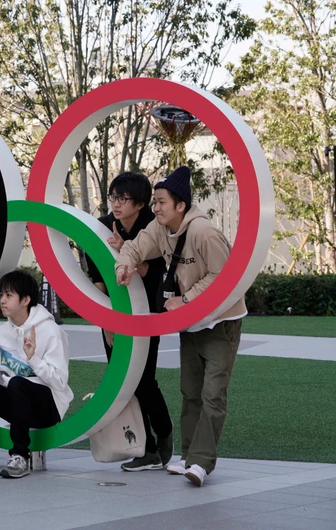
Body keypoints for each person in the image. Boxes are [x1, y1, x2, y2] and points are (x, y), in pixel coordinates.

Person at [116, 166, 247, 487]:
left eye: (161, 202)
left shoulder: (204, 233)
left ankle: (201, 462)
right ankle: (189, 456)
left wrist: (186, 299)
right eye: (155, 202)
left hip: (221, 321)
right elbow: (134, 246)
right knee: (190, 392)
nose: (156, 207)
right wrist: (124, 265)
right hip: (191, 322)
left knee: (213, 394)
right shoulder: (159, 228)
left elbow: (225, 276)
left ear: (181, 205)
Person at [85, 172, 174, 472]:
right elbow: (98, 281)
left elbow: (156, 272)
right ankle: (146, 450)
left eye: (123, 199)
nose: (116, 204)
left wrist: (127, 249)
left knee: (144, 380)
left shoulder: (154, 225)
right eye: (113, 197)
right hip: (113, 314)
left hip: (146, 313)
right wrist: (106, 322)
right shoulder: (100, 226)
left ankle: (164, 431)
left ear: (140, 203)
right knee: (123, 382)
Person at [0, 269, 73, 479]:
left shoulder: (50, 331)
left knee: (18, 383)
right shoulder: (2, 332)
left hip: (48, 407)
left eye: (9, 295)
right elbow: (0, 381)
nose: (2, 300)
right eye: (2, 294)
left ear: (26, 300)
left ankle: (20, 456)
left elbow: (60, 381)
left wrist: (33, 358)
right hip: (17, 402)